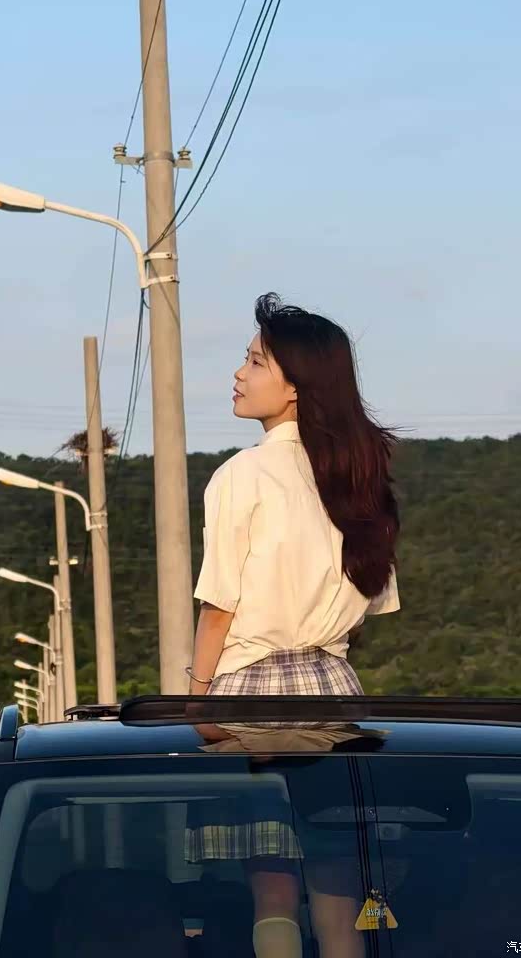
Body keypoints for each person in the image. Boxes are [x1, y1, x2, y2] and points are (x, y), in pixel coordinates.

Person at [184, 293, 401, 958]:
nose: (238, 373)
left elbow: (218, 605)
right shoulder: (360, 475)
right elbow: (368, 607)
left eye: (255, 361)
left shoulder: (242, 474)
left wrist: (197, 696)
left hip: (250, 693)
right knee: (339, 892)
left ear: (297, 386)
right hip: (336, 692)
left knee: (273, 889)